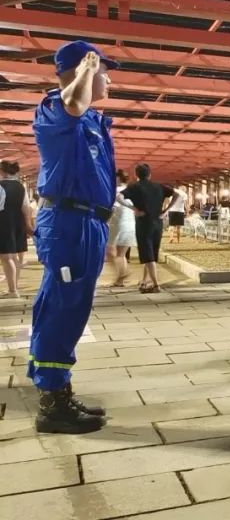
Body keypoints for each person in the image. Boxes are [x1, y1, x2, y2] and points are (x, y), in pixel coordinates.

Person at [30, 40, 118, 433]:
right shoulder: (56, 108)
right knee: (62, 311)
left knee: (69, 308)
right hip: (70, 224)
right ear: (82, 71)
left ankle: (59, 390)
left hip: (86, 224)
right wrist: (86, 69)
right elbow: (72, 103)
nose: (108, 80)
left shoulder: (89, 122)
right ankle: (52, 406)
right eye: (103, 72)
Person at [122, 163, 178, 293]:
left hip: (143, 224)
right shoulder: (159, 186)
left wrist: (133, 208)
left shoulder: (134, 187)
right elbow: (177, 195)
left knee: (147, 255)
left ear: (136, 175)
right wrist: (166, 211)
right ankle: (145, 281)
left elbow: (118, 197)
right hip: (157, 223)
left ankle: (156, 285)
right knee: (151, 253)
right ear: (150, 174)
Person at [0, 160, 31, 298]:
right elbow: (26, 208)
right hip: (17, 223)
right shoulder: (20, 187)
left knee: (6, 257)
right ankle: (14, 287)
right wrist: (28, 225)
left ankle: (12, 291)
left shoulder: (1, 186)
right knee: (13, 257)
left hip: (4, 223)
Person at [106, 169, 136, 287]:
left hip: (117, 223)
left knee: (109, 252)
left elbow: (111, 207)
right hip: (130, 223)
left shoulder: (114, 191)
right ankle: (120, 280)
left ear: (117, 178)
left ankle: (123, 273)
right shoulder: (131, 190)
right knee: (121, 254)